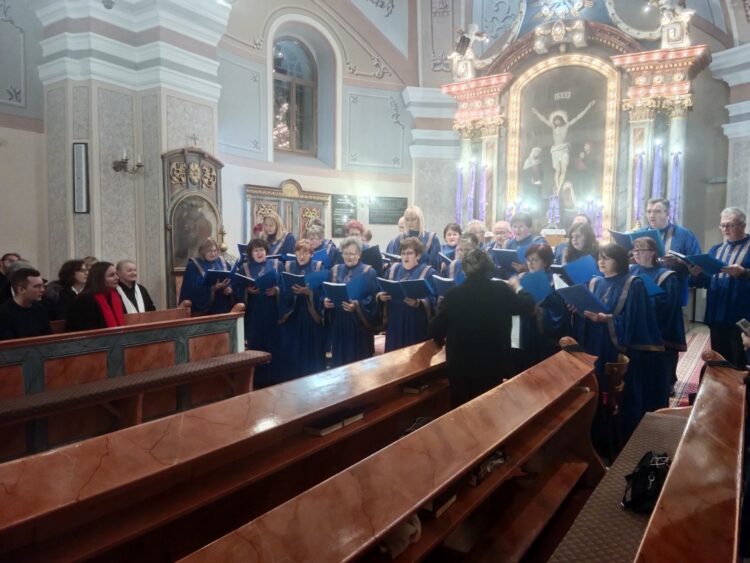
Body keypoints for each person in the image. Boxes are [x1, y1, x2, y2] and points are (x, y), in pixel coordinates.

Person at [574, 243, 668, 440]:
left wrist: (608, 320)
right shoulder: (594, 282)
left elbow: (635, 321)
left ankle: (617, 432)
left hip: (617, 346)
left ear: (619, 260)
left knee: (616, 392)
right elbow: (587, 313)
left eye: (606, 258)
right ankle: (595, 428)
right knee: (596, 386)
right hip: (595, 343)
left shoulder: (633, 284)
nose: (601, 262)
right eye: (599, 257)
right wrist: (579, 311)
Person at [429, 249, 535, 406]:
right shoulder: (501, 290)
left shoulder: (453, 294)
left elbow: (435, 328)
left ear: (464, 270)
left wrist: (440, 340)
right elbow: (527, 305)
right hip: (493, 363)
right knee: (490, 410)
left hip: (461, 365)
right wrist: (518, 287)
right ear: (489, 267)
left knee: (462, 410)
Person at [688, 207, 750, 368]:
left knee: (741, 362)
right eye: (723, 225)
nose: (726, 229)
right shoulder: (715, 250)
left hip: (743, 314)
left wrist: (743, 273)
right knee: (720, 360)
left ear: (743, 225)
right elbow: (707, 281)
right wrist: (696, 275)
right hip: (717, 313)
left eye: (730, 225)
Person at [630, 236, 686, 390]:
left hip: (660, 325)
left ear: (653, 252)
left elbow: (669, 304)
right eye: (635, 250)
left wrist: (644, 300)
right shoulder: (631, 270)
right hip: (638, 323)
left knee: (664, 360)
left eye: (641, 250)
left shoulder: (667, 275)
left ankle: (667, 384)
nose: (637, 253)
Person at [323, 236, 379, 367]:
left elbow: (373, 300)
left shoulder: (369, 272)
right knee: (339, 363)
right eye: (346, 253)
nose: (349, 257)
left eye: (352, 254)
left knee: (358, 364)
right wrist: (325, 302)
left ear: (359, 254)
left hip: (358, 325)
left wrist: (357, 306)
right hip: (339, 323)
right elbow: (326, 292)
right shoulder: (334, 270)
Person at [278, 239, 326, 380]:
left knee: (312, 349)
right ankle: (293, 379)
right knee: (293, 349)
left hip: (311, 316)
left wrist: (309, 292)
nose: (302, 256)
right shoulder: (288, 267)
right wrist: (289, 291)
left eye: (306, 253)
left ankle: (313, 379)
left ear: (311, 254)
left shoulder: (318, 267)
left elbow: (323, 291)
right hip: (293, 314)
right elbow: (282, 289)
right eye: (299, 252)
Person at [378, 237, 437, 352]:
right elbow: (380, 289)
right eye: (403, 253)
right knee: (394, 355)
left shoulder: (428, 272)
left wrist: (419, 303)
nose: (406, 256)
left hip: (414, 322)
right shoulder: (392, 270)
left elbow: (434, 300)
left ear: (418, 256)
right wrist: (381, 297)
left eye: (409, 253)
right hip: (395, 321)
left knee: (413, 356)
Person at [237, 238, 282, 387]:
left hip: (273, 312)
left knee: (274, 345)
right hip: (254, 314)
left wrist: (276, 291)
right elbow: (237, 290)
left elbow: (285, 286)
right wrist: (247, 291)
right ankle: (257, 382)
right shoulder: (244, 269)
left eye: (261, 249)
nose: (259, 253)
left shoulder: (277, 265)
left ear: (266, 251)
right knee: (256, 347)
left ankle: (275, 381)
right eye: (256, 250)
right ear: (251, 253)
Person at [517, 244, 567, 369]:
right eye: (528, 260)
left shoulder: (555, 281)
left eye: (535, 260)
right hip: (525, 330)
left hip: (543, 336)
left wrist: (539, 312)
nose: (530, 263)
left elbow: (559, 313)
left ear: (545, 262)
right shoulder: (523, 278)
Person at [645, 197, 701, 304]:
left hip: (673, 290)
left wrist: (678, 261)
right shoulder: (640, 234)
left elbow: (696, 262)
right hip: (645, 292)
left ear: (667, 213)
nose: (651, 215)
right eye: (649, 211)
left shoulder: (684, 235)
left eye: (657, 211)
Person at [532, 101, 595, 193]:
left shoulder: (566, 126)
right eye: (555, 120)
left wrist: (588, 107)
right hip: (555, 150)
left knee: (563, 169)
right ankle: (557, 189)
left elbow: (578, 117)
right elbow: (544, 120)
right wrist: (536, 113)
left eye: (558, 120)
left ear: (561, 120)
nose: (556, 121)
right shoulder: (553, 127)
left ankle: (558, 189)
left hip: (564, 149)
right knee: (557, 170)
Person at [178, 238, 233, 315]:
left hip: (223, 306)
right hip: (204, 310)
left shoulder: (223, 262)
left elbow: (233, 280)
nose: (213, 254)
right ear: (203, 251)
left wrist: (230, 288)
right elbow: (192, 290)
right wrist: (214, 288)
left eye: (215, 250)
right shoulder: (193, 266)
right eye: (209, 251)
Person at [66, 261, 126, 331]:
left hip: (115, 336)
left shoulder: (115, 296)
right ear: (99, 278)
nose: (117, 278)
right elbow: (86, 329)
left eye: (116, 274)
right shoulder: (84, 300)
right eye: (111, 275)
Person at [0, 267, 51, 340]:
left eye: (43, 286)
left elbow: (48, 338)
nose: (42, 290)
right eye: (37, 286)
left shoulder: (40, 309)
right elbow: (8, 344)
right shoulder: (4, 313)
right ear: (21, 290)